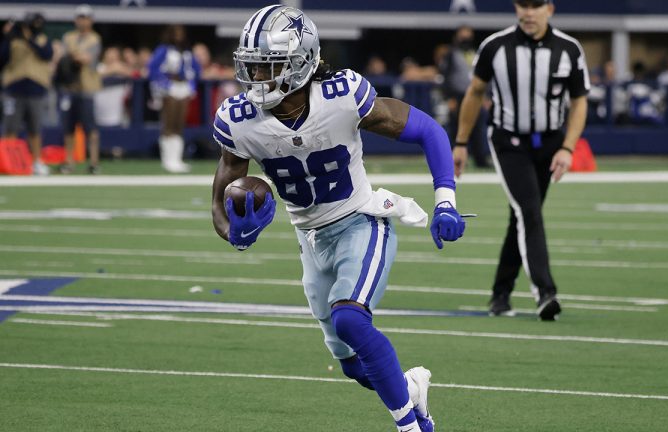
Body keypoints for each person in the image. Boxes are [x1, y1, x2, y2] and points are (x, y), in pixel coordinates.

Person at [210, 5, 467, 431]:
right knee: (352, 366)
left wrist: (445, 200)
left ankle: (411, 427)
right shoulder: (240, 122)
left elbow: (428, 130)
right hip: (310, 240)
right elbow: (223, 190)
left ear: (299, 63)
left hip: (360, 222)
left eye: (267, 67)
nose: (256, 79)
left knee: (350, 318)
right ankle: (410, 391)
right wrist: (232, 231)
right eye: (252, 68)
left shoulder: (341, 96)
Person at [453, 0, 589, 320]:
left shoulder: (569, 49)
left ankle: (500, 293)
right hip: (509, 141)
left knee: (524, 216)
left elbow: (579, 100)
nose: (529, 12)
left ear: (550, 9)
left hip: (551, 142)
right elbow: (474, 92)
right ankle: (545, 293)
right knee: (528, 210)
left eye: (536, 5)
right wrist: (460, 143)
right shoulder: (495, 47)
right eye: (522, 5)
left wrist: (568, 148)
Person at [0, 12, 53, 176]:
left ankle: (36, 161)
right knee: (11, 128)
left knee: (35, 129)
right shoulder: (13, 40)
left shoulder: (43, 39)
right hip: (14, 90)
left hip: (36, 90)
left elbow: (46, 55)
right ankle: (9, 162)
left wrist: (28, 40)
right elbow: (2, 59)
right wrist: (8, 37)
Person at [148, 24, 201, 173]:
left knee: (179, 124)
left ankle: (177, 159)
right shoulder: (164, 49)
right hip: (169, 87)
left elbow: (196, 69)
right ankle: (167, 160)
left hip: (183, 87)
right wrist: (161, 85)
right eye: (176, 33)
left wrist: (191, 85)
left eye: (181, 33)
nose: (179, 35)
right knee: (169, 123)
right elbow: (152, 67)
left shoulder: (187, 52)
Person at [59, 4, 102, 174]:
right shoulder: (69, 36)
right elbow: (62, 56)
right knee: (69, 128)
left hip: (87, 88)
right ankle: (69, 162)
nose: (83, 21)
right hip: (70, 87)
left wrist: (72, 55)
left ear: (90, 20)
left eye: (86, 18)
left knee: (90, 128)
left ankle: (94, 162)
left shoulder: (94, 38)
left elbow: (85, 58)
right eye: (80, 18)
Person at [439, 26, 490, 167]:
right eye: (463, 35)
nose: (466, 38)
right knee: (455, 129)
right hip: (458, 95)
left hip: (475, 96)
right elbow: (446, 76)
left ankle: (480, 160)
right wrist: (449, 97)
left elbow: (484, 75)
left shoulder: (475, 52)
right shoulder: (451, 53)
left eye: (468, 35)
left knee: (478, 128)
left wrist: (485, 95)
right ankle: (454, 159)